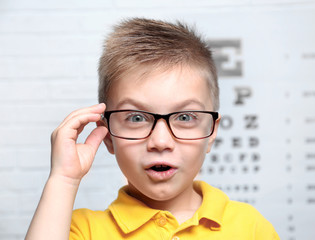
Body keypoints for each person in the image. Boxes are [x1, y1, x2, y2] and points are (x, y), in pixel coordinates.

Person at [25, 18, 280, 240]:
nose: (160, 141)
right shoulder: (82, 230)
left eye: (185, 116)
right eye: (136, 118)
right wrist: (64, 179)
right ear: (108, 136)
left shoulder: (251, 227)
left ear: (211, 132)